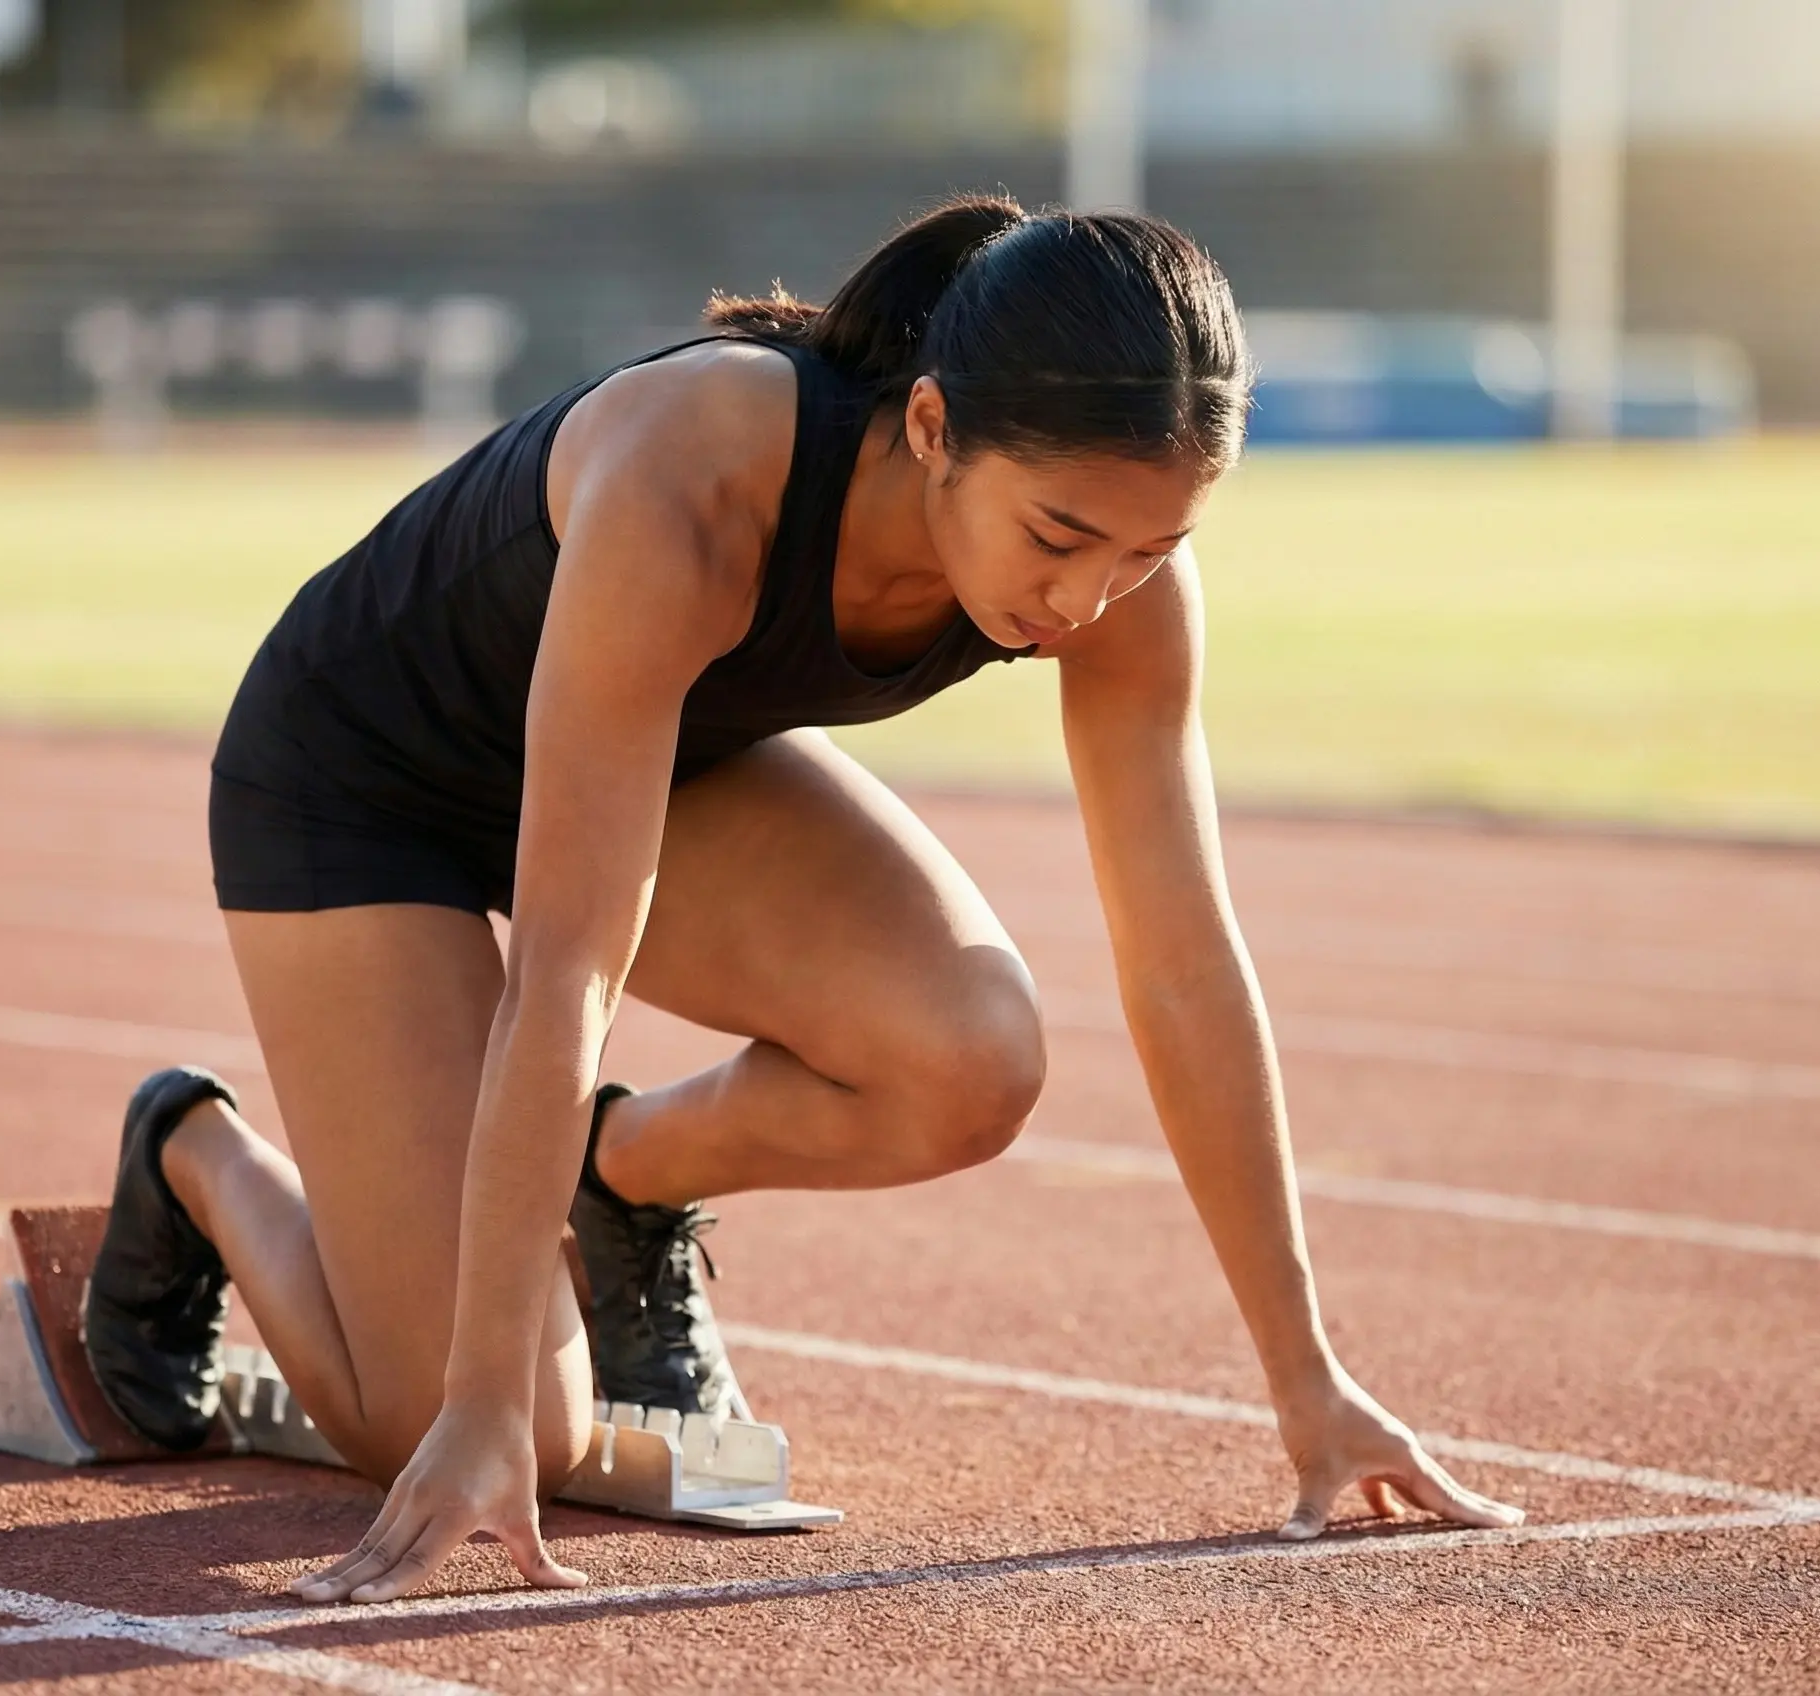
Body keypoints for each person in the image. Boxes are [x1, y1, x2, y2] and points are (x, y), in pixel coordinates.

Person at [76, 194, 1522, 1607]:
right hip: (362, 781)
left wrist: (1307, 1380)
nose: (1090, 600)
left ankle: (620, 1172)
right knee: (477, 1421)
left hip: (664, 758)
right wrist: (472, 1404)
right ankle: (199, 1158)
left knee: (971, 1060)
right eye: (1062, 536)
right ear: (936, 426)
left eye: (1149, 552)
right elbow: (570, 961)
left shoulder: (1121, 576)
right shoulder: (694, 471)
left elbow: (1186, 964)